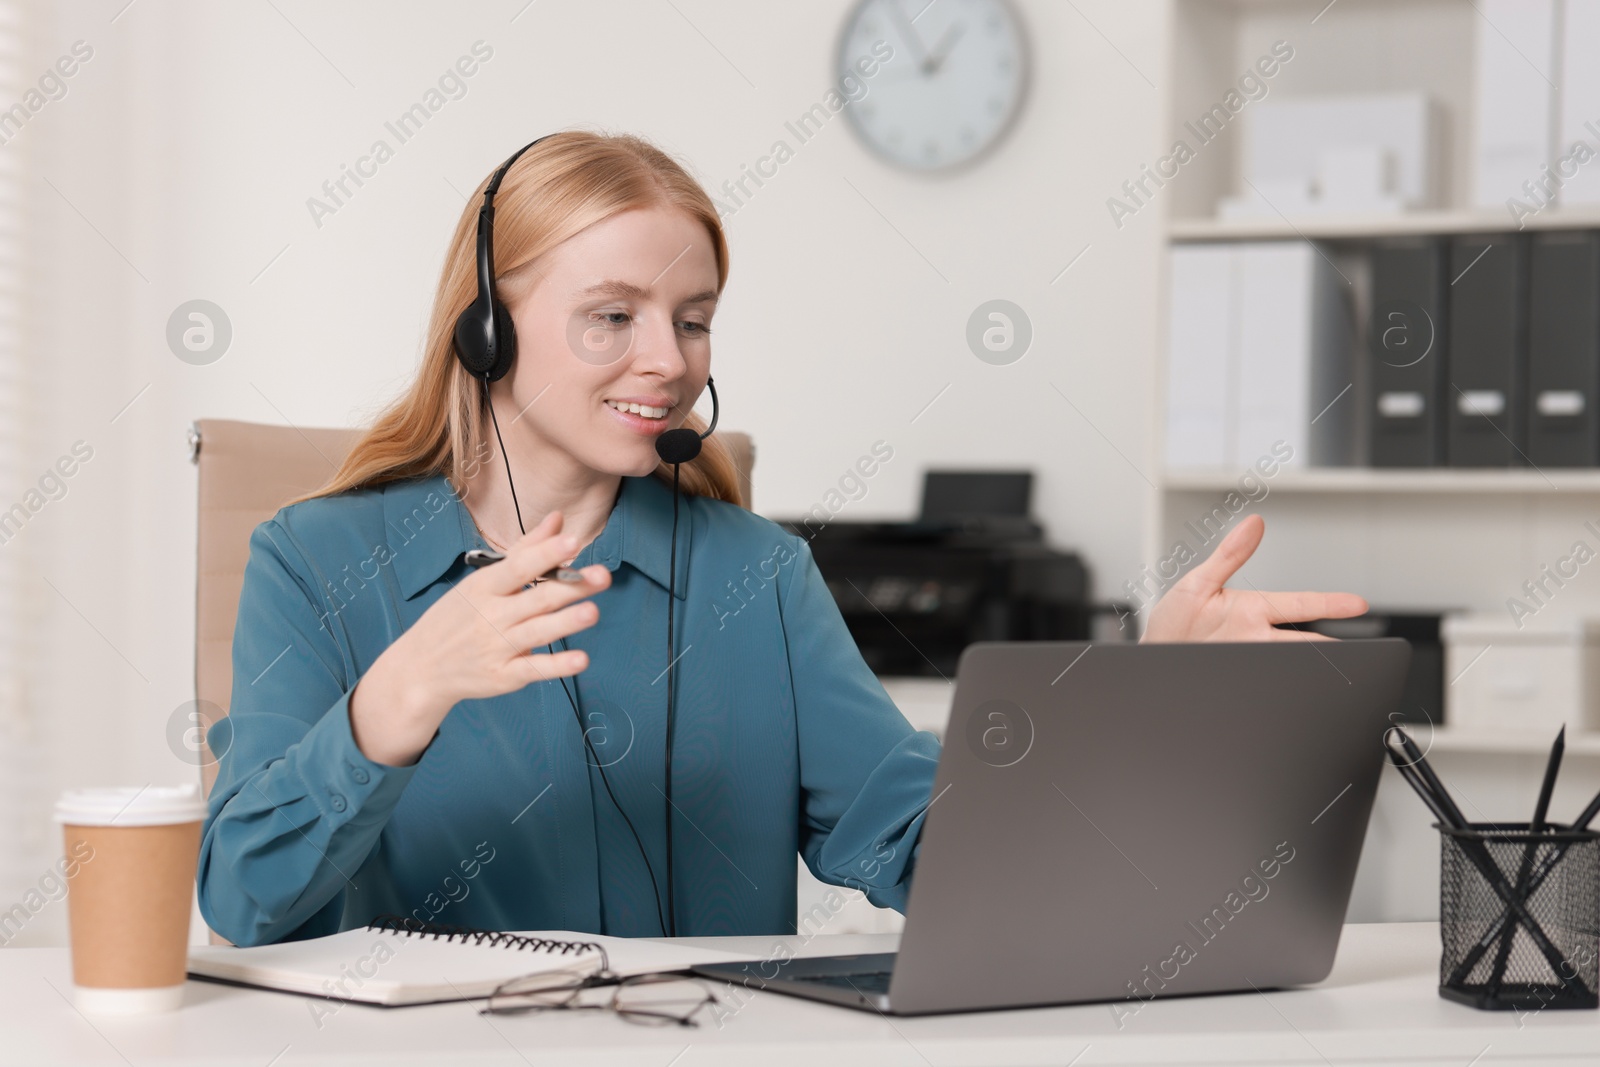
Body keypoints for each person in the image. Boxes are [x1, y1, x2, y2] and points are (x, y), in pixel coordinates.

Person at [197, 130, 1365, 947]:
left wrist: (1142, 700)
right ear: (489, 329)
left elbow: (930, 844)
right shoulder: (313, 561)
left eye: (693, 317)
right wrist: (393, 701)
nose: (670, 358)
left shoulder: (756, 574)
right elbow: (244, 900)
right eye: (614, 315)